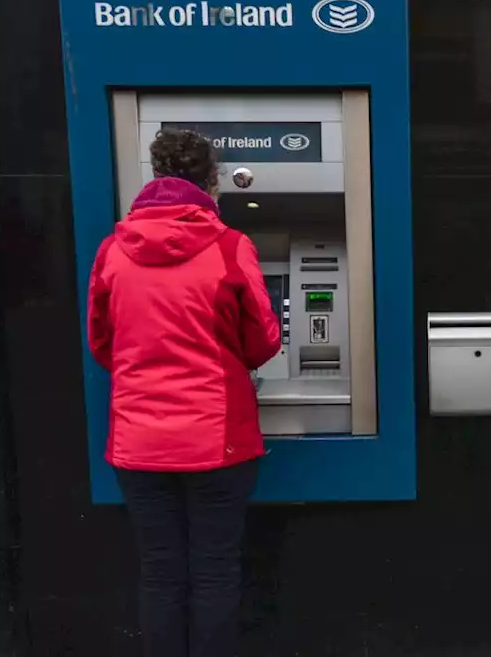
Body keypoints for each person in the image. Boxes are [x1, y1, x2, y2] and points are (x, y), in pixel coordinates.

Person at [86, 129, 281, 657]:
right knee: (214, 572)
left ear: (154, 177)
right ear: (211, 182)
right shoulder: (229, 247)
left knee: (160, 573)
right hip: (216, 441)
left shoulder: (113, 252)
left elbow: (102, 344)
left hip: (139, 444)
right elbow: (264, 339)